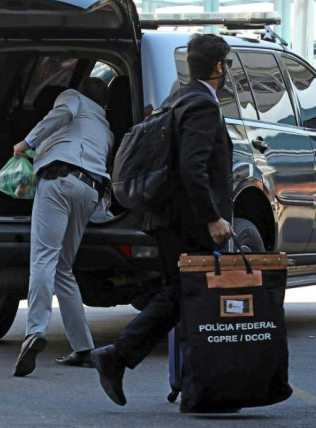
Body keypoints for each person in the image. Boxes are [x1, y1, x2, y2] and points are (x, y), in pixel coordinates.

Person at [90, 34, 233, 407]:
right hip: (188, 222)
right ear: (219, 67)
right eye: (227, 64)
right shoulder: (202, 104)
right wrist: (213, 218)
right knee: (182, 294)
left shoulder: (179, 97)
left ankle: (187, 382)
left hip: (166, 217)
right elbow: (193, 167)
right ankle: (117, 356)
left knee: (182, 295)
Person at [12, 77, 113, 377]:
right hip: (90, 192)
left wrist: (26, 142)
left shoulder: (73, 98)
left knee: (44, 258)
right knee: (63, 267)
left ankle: (35, 331)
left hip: (58, 181)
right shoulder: (106, 129)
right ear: (105, 105)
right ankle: (84, 348)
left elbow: (61, 115)